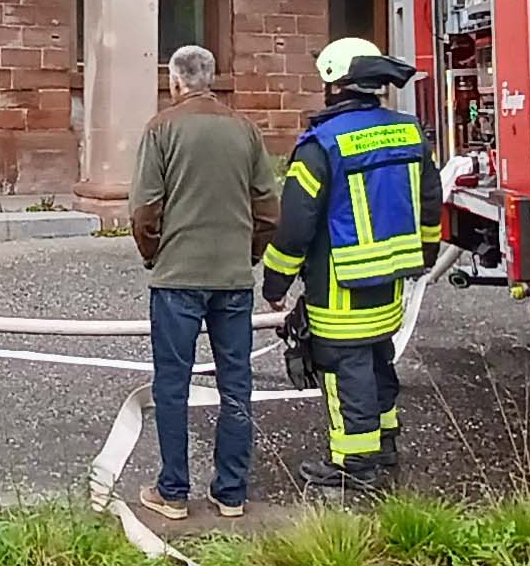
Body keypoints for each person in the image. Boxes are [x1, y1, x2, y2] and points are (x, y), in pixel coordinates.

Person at [260, 37, 442, 492]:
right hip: (393, 276)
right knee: (379, 354)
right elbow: (430, 202)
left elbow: (296, 224)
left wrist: (276, 281)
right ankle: (385, 443)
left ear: (336, 85)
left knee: (345, 367)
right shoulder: (409, 131)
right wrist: (425, 256)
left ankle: (354, 465)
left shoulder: (320, 146)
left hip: (340, 280)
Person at [126, 45, 280, 521]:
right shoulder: (246, 131)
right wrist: (250, 253)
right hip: (233, 277)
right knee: (237, 383)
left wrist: (155, 255)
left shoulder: (161, 129)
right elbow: (269, 207)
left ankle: (173, 491)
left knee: (172, 385)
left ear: (174, 81)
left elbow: (144, 209)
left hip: (177, 277)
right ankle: (231, 492)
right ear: (211, 78)